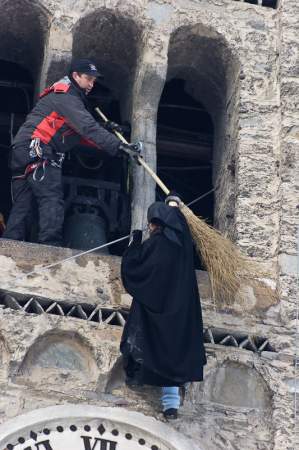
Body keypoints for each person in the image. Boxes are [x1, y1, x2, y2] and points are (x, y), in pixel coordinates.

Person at [3, 58, 137, 246]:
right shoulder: (66, 97)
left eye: (94, 80)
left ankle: (9, 247)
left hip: (23, 150)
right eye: (88, 78)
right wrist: (119, 146)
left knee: (24, 205)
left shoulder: (64, 98)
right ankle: (50, 248)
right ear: (75, 76)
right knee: (51, 198)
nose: (92, 84)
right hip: (38, 148)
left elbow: (81, 134)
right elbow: (87, 128)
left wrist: (106, 131)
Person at [120, 198, 206, 419]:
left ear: (155, 224)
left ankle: (138, 379)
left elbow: (135, 271)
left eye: (151, 224)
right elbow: (179, 223)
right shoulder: (184, 246)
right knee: (174, 352)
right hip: (179, 314)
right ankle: (171, 404)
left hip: (154, 309)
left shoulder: (156, 244)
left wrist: (135, 243)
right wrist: (175, 205)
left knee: (148, 342)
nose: (149, 227)